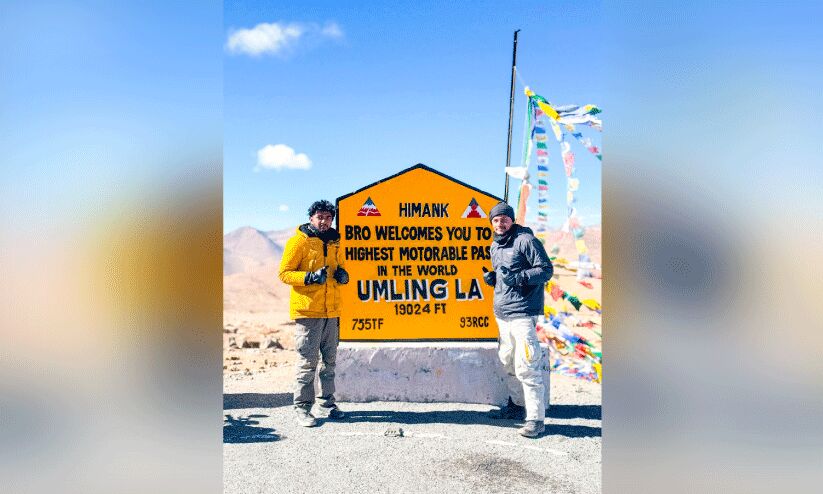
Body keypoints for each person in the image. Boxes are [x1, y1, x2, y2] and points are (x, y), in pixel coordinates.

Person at [482, 202, 553, 438]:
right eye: (496, 220)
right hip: (502, 313)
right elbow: (505, 276)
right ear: (491, 222)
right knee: (508, 361)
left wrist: (518, 277)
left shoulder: (526, 241)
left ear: (512, 220)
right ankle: (515, 405)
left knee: (527, 365)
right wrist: (495, 279)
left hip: (522, 313)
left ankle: (536, 419)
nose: (500, 223)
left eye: (504, 219)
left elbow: (545, 270)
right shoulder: (494, 245)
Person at [279, 200, 349, 427]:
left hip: (331, 312)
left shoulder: (335, 242)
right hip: (308, 312)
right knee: (308, 362)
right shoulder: (298, 242)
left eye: (328, 217)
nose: (324, 221)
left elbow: (340, 266)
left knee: (329, 362)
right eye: (320, 217)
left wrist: (343, 276)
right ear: (311, 218)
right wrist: (308, 277)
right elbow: (285, 274)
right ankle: (302, 408)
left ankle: (327, 403)